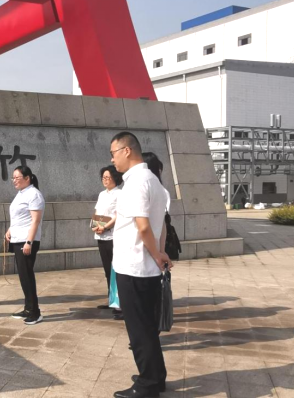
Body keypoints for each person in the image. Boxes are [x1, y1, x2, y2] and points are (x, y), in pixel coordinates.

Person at [110, 132, 173, 398]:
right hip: (144, 267)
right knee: (147, 326)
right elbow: (161, 225)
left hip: (134, 266)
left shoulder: (136, 183)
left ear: (126, 150)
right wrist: (159, 252)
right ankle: (156, 377)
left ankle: (148, 384)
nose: (112, 160)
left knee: (139, 330)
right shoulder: (153, 181)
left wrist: (157, 254)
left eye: (113, 153)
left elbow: (144, 226)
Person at [5, 166, 45, 325]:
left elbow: (35, 220)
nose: (14, 180)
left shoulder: (34, 194)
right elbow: (19, 217)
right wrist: (10, 229)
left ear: (27, 178)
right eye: (13, 177)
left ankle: (35, 312)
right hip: (17, 238)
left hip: (26, 240)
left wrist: (29, 242)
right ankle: (28, 308)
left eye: (17, 177)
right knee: (23, 276)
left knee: (27, 276)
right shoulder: (21, 193)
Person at [93, 165, 123, 321]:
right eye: (103, 177)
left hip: (113, 236)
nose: (105, 180)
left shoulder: (120, 194)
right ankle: (112, 299)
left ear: (115, 178)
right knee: (107, 270)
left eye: (108, 177)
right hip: (101, 236)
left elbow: (118, 215)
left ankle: (120, 304)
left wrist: (105, 227)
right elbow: (97, 213)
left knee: (116, 270)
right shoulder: (101, 194)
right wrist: (95, 226)